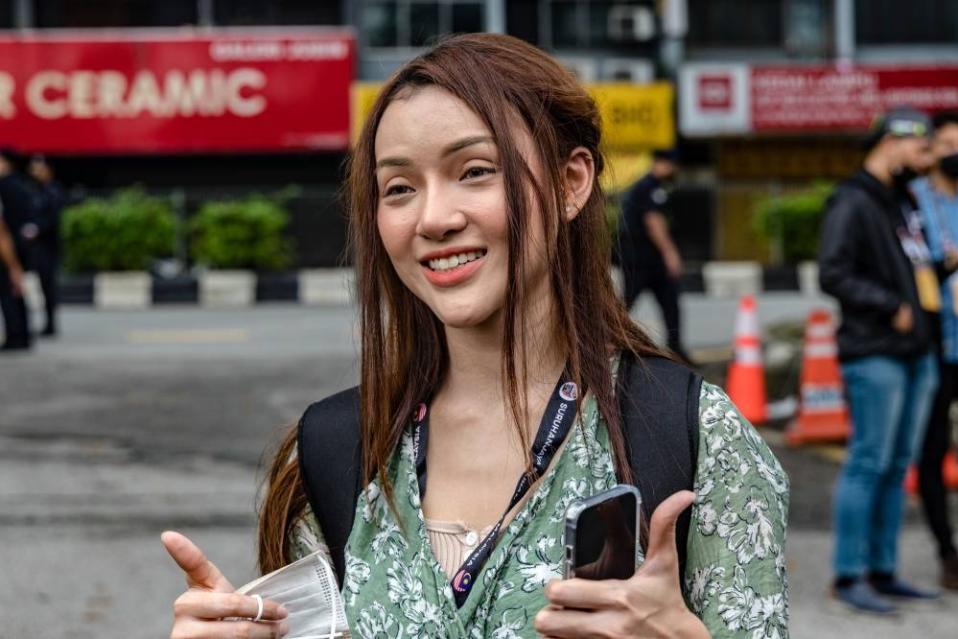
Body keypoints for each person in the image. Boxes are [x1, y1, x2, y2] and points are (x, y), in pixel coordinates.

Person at [162, 34, 789, 639]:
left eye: (475, 171)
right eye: (400, 188)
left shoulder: (693, 437)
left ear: (571, 183)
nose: (435, 219)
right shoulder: (332, 454)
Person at [819, 107, 941, 615]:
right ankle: (850, 574)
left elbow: (915, 264)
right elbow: (834, 273)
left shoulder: (902, 200)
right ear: (893, 141)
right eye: (923, 149)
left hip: (917, 352)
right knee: (869, 461)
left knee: (896, 466)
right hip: (875, 354)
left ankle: (882, 571)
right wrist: (890, 306)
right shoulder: (852, 201)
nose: (928, 160)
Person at [910, 109, 958, 590]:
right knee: (933, 451)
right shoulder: (913, 201)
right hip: (935, 347)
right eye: (946, 145)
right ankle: (947, 550)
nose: (954, 154)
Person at [618, 148, 689, 362]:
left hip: (645, 259)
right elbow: (653, 221)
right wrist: (670, 252)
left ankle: (676, 348)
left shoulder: (649, 186)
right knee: (624, 306)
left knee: (670, 302)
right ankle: (604, 345)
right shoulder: (650, 187)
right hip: (642, 259)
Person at [24, 155, 65, 337]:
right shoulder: (34, 190)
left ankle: (51, 323)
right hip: (36, 246)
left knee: (48, 285)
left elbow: (53, 219)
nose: (35, 172)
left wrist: (36, 229)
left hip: (49, 245)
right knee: (41, 285)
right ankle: (47, 322)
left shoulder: (54, 191)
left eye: (39, 168)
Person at [0, 147, 34, 351]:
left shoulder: (5, 186)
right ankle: (22, 335)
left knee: (9, 292)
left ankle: (16, 336)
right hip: (19, 247)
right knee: (17, 291)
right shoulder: (22, 186)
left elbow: (2, 230)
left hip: (7, 249)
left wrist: (12, 263)